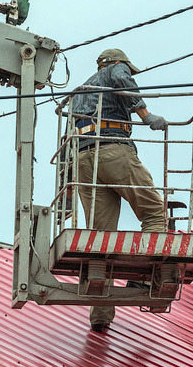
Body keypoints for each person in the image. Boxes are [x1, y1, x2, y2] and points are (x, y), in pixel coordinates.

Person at [69, 48, 169, 332]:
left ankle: (100, 316)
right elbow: (123, 79)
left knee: (101, 237)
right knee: (153, 212)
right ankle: (146, 278)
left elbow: (68, 135)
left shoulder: (80, 91)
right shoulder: (114, 70)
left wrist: (67, 184)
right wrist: (145, 115)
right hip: (113, 150)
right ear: (116, 62)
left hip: (84, 160)